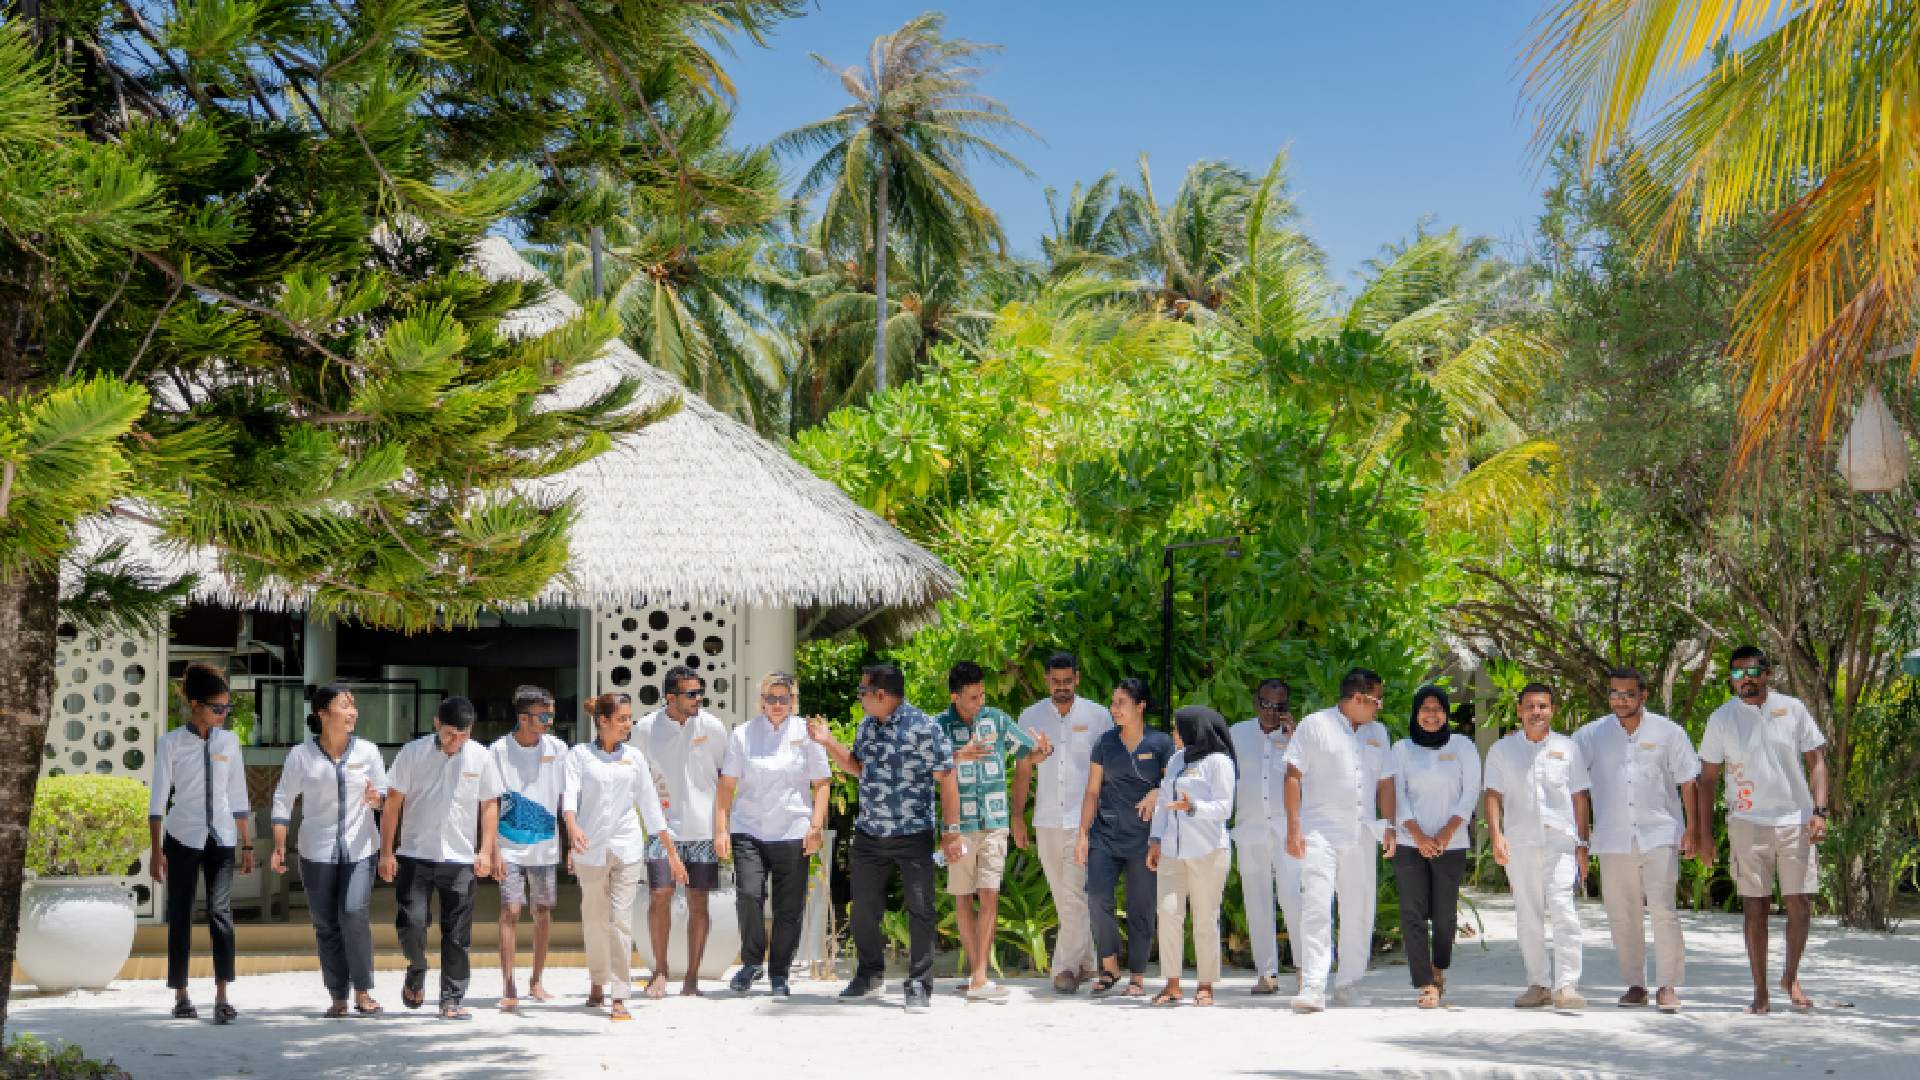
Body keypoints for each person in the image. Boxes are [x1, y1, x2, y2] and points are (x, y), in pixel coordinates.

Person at [808, 662, 963, 1010]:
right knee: (863, 909)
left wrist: (951, 833)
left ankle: (920, 985)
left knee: (920, 909)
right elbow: (857, 767)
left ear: (880, 694)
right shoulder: (866, 726)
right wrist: (829, 742)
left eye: (863, 692)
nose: (860, 698)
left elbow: (947, 778)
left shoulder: (926, 728)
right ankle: (868, 976)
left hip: (913, 834)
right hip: (869, 833)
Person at [1697, 645, 1829, 1015]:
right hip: (1747, 822)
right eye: (1738, 674)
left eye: (1753, 672)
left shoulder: (1793, 709)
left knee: (1799, 902)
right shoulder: (1721, 719)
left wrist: (1819, 810)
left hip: (1794, 820)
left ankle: (1791, 977)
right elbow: (1706, 779)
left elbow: (1816, 760)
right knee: (1754, 906)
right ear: (1730, 681)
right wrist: (1704, 835)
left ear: (1767, 673)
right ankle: (1760, 990)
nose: (1746, 680)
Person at [1573, 666, 1701, 1013]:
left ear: (1643, 695)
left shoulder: (1668, 732)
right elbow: (1576, 788)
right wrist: (1580, 841)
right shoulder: (1590, 736)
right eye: (1615, 693)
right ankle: (1635, 984)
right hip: (1613, 837)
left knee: (1664, 909)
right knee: (1621, 912)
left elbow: (1689, 780)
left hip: (1659, 833)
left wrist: (1693, 829)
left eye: (1628, 694)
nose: (1621, 700)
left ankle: (1668, 986)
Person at [377, 696, 504, 1020]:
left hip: (460, 858)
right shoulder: (412, 753)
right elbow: (392, 804)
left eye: (463, 735)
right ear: (437, 723)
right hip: (416, 855)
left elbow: (489, 804)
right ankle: (417, 968)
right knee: (411, 922)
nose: (456, 741)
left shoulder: (481, 757)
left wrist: (486, 850)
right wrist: (386, 852)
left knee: (458, 934)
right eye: (450, 734)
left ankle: (451, 999)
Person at [565, 693, 687, 1022]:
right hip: (589, 848)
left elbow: (651, 807)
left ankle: (620, 993)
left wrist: (672, 855)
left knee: (620, 920)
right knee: (593, 918)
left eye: (629, 718)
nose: (627, 725)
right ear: (602, 721)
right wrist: (572, 829)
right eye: (621, 719)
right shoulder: (578, 756)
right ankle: (597, 980)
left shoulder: (634, 758)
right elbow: (569, 797)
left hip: (628, 847)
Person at [1283, 667, 1398, 1012]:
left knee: (1359, 909)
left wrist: (1389, 825)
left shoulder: (1379, 733)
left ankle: (1348, 984)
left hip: (1362, 834)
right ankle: (1314, 985)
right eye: (1377, 700)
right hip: (1319, 831)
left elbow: (1386, 783)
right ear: (1359, 698)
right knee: (1317, 906)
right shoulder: (1315, 725)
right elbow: (1292, 776)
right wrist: (1293, 829)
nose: (1380, 707)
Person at [269, 686, 388, 1018]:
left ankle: (363, 990)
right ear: (323, 713)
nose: (353, 713)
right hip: (316, 850)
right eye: (345, 706)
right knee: (325, 924)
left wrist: (375, 800)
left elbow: (385, 796)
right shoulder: (301, 756)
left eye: (354, 707)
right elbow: (283, 799)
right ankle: (338, 995)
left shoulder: (368, 751)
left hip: (360, 848)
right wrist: (280, 845)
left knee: (353, 913)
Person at [715, 672, 831, 997]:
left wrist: (816, 826)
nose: (777, 704)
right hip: (748, 829)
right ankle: (752, 962)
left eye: (784, 698)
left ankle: (779, 972)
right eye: (771, 698)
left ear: (793, 701)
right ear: (761, 701)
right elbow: (727, 786)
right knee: (749, 896)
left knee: (788, 908)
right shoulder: (742, 734)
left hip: (794, 829)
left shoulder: (806, 735)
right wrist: (721, 829)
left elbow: (821, 783)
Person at [149, 663, 252, 1023]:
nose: (223, 715)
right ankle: (181, 994)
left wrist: (247, 844)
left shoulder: (230, 742)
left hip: (221, 837)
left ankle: (223, 995)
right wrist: (155, 850)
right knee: (180, 914)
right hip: (181, 836)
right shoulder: (171, 743)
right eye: (217, 708)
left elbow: (238, 794)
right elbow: (158, 799)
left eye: (227, 708)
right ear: (195, 704)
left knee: (220, 913)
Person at [935, 661, 1040, 1000]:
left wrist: (1043, 749)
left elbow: (1029, 751)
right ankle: (976, 976)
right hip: (958, 825)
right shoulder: (939, 727)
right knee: (963, 896)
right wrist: (957, 756)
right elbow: (927, 768)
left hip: (994, 821)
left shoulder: (996, 720)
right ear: (955, 697)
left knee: (989, 893)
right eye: (972, 697)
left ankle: (979, 974)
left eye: (981, 695)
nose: (979, 702)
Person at [1485, 682, 1592, 1010]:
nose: (1537, 712)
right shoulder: (1502, 751)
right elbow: (1493, 794)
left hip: (1560, 841)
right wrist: (1496, 835)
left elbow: (1579, 797)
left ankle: (1567, 985)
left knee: (1563, 909)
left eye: (1543, 706)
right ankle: (1539, 984)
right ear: (1519, 710)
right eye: (1530, 706)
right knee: (1528, 915)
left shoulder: (1568, 748)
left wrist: (1584, 844)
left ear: (1552, 710)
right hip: (1520, 842)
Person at [1010, 650, 1112, 993]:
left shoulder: (1098, 717)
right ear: (1046, 681)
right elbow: (1023, 770)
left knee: (1074, 895)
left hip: (1085, 821)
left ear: (1077, 679)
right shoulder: (1030, 717)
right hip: (1046, 819)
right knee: (1063, 895)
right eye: (1056, 682)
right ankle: (1087, 963)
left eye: (1068, 681)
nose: (1063, 687)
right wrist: (1017, 818)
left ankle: (1064, 969)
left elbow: (1108, 771)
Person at [630, 665, 729, 998]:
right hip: (663, 829)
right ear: (669, 697)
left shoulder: (712, 727)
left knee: (698, 901)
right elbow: (637, 777)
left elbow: (724, 777)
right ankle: (659, 971)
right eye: (691, 694)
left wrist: (721, 827)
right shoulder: (645, 729)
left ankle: (691, 978)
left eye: (700, 693)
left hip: (703, 831)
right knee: (660, 895)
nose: (698, 699)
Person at [1074, 677, 1173, 999]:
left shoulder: (1160, 744)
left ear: (1140, 705)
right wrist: (1082, 835)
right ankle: (1110, 966)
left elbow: (1175, 781)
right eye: (1113, 702)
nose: (1114, 709)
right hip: (1106, 835)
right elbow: (1092, 791)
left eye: (1121, 703)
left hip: (1145, 839)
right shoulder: (1105, 743)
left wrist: (1158, 792)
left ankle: (1139, 975)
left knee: (1140, 906)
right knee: (1097, 896)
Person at [1390, 686, 1480, 1009]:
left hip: (1451, 844)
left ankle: (1438, 968)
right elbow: (1396, 794)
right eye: (1425, 709)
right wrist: (1418, 835)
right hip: (1409, 843)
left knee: (1444, 916)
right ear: (1416, 713)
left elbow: (1470, 792)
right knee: (1412, 914)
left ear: (1446, 713)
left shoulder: (1462, 746)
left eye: (1437, 709)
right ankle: (1425, 984)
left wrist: (1444, 834)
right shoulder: (1401, 749)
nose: (1431, 715)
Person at [1147, 706, 1237, 1006]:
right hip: (1173, 850)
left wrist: (1193, 808)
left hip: (1208, 851)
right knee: (1169, 912)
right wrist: (1155, 839)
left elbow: (1225, 807)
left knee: (1204, 918)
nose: (1174, 734)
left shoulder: (1218, 762)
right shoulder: (1175, 760)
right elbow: (1163, 800)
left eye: (1179, 728)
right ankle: (1172, 983)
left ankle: (1205, 984)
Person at [489, 685, 568, 1012]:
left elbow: (567, 800)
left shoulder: (558, 749)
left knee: (543, 912)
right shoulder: (497, 751)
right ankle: (509, 984)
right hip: (508, 848)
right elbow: (489, 802)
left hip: (546, 848)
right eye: (543, 715)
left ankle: (536, 979)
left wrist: (571, 841)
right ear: (523, 718)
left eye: (551, 714)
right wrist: (491, 848)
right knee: (510, 910)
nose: (549, 721)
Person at [1228, 677, 1303, 995]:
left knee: (1293, 899)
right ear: (1256, 702)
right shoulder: (1236, 734)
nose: (1272, 712)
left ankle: (1303, 969)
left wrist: (1295, 740)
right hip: (1251, 830)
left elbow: (1308, 779)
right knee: (1256, 901)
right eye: (1266, 704)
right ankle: (1267, 973)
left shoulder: (1297, 738)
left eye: (1280, 706)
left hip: (1288, 831)